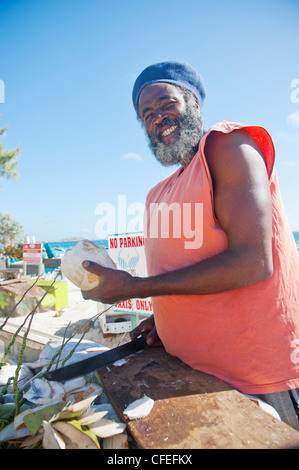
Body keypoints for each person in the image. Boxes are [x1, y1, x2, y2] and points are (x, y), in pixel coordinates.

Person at [82, 61, 299, 429]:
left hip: (255, 371)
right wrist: (165, 318)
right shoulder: (158, 192)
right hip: (188, 368)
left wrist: (135, 288)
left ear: (194, 105)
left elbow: (252, 262)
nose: (158, 118)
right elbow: (188, 267)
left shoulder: (227, 145)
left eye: (167, 104)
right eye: (147, 114)